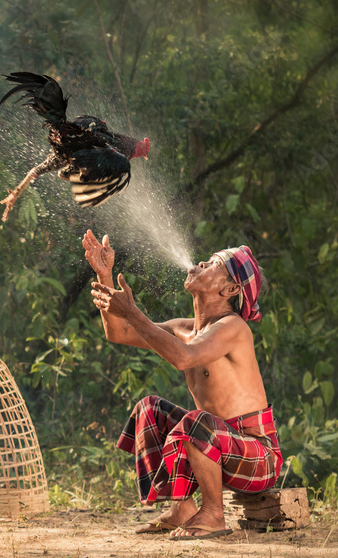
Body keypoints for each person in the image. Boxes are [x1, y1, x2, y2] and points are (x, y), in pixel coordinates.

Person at [82, 230, 282, 539]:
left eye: (214, 263)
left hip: (258, 457)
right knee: (150, 409)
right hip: (216, 447)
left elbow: (183, 358)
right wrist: (104, 274)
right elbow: (119, 332)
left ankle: (214, 515)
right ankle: (183, 508)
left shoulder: (233, 328)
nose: (202, 261)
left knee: (196, 422)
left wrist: (134, 312)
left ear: (230, 288)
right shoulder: (185, 329)